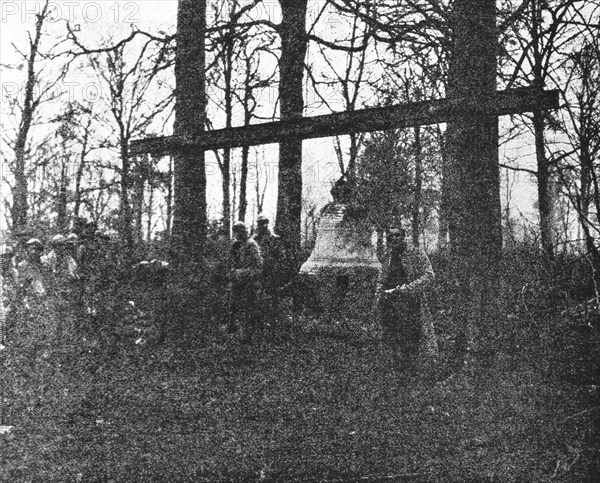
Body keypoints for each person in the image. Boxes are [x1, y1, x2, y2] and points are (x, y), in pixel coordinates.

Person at [379, 227, 435, 375]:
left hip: (410, 303)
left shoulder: (416, 253)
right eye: (391, 237)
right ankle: (396, 371)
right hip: (390, 304)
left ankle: (412, 371)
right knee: (392, 337)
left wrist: (409, 289)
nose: (394, 239)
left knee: (411, 337)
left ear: (404, 237)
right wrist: (379, 296)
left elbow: (429, 276)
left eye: (398, 235)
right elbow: (381, 279)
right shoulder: (387, 257)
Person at [252, 214, 289, 337]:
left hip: (271, 273)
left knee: (273, 299)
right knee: (257, 299)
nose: (263, 225)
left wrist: (276, 269)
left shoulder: (275, 239)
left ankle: (273, 327)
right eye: (260, 223)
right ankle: (258, 326)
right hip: (257, 273)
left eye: (265, 222)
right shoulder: (254, 240)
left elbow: (281, 257)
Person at [228, 221, 263, 343]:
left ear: (244, 232)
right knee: (234, 307)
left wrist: (241, 273)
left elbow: (257, 267)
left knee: (248, 310)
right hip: (237, 283)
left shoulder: (251, 245)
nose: (237, 235)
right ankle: (235, 333)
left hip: (250, 283)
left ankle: (248, 338)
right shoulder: (236, 246)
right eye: (236, 232)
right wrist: (232, 272)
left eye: (239, 232)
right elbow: (231, 263)